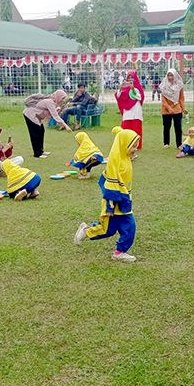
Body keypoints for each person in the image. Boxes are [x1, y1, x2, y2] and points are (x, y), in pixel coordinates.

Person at [74, 127, 140, 262]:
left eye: (136, 146)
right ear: (124, 145)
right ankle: (86, 231)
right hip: (114, 202)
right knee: (107, 230)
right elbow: (110, 187)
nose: (135, 149)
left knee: (130, 227)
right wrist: (110, 207)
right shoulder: (115, 164)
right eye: (133, 146)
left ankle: (119, 252)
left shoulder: (125, 159)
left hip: (125, 202)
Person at [23, 90, 72, 158]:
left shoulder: (53, 102)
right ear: (58, 96)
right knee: (35, 133)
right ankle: (37, 153)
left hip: (36, 116)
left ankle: (40, 151)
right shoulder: (50, 102)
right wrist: (66, 126)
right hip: (30, 115)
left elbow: (52, 114)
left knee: (41, 131)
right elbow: (55, 116)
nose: (63, 100)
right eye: (62, 98)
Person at [116, 70, 144, 149]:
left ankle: (136, 144)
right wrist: (121, 88)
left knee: (136, 126)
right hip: (127, 110)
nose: (131, 79)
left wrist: (134, 90)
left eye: (132, 77)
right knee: (127, 126)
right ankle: (126, 142)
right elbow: (118, 96)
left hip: (136, 109)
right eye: (129, 77)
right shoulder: (125, 87)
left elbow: (140, 97)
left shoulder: (138, 86)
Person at [160, 69, 187, 149]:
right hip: (166, 110)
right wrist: (168, 108)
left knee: (178, 127)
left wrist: (183, 108)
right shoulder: (163, 85)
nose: (170, 77)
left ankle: (179, 144)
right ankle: (166, 143)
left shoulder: (179, 85)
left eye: (172, 75)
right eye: (168, 75)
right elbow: (163, 100)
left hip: (177, 109)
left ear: (175, 76)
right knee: (166, 127)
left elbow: (181, 98)